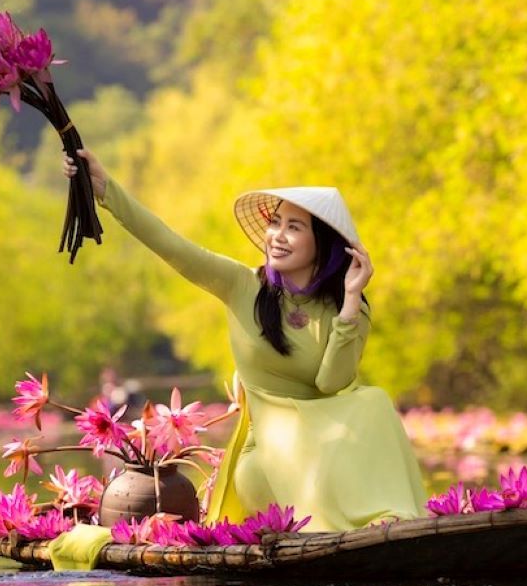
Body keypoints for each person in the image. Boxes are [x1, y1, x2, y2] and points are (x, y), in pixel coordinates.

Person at [61, 149, 426, 534]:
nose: (277, 236)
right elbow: (171, 245)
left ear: (323, 243)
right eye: (276, 223)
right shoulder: (243, 286)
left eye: (294, 227)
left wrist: (351, 303)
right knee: (295, 449)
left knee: (374, 401)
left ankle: (385, 520)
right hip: (270, 451)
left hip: (328, 447)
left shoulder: (348, 308)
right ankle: (337, 527)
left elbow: (331, 384)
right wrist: (105, 190)